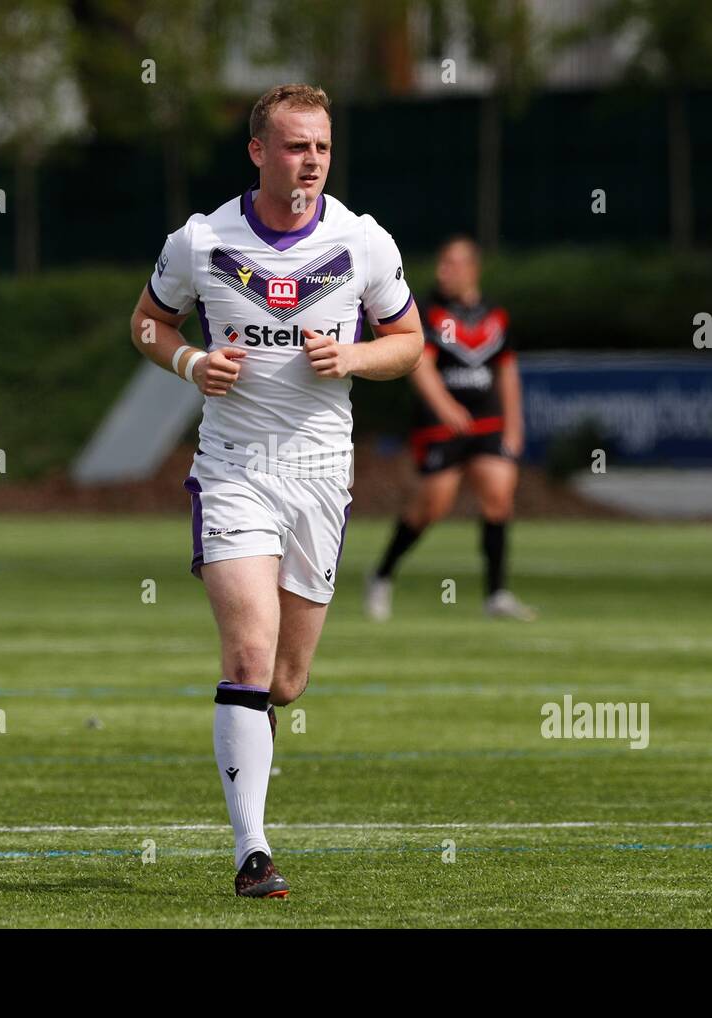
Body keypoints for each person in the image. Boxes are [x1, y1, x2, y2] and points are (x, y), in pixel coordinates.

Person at [129, 84, 423, 898]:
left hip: (323, 476)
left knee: (285, 681)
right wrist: (192, 362)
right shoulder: (200, 241)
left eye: (322, 147)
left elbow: (409, 343)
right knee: (248, 658)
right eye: (296, 146)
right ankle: (252, 851)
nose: (312, 161)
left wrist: (352, 357)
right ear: (258, 152)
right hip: (232, 468)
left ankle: (252, 732)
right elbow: (149, 323)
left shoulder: (363, 242)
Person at [365, 236, 537, 621]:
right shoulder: (427, 311)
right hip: (440, 424)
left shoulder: (495, 315)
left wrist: (515, 424)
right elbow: (419, 364)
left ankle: (497, 593)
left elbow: (506, 371)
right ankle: (382, 574)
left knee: (498, 494)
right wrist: (445, 407)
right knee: (432, 506)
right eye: (442, 263)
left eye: (453, 264)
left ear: (473, 269)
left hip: (488, 420)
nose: (445, 271)